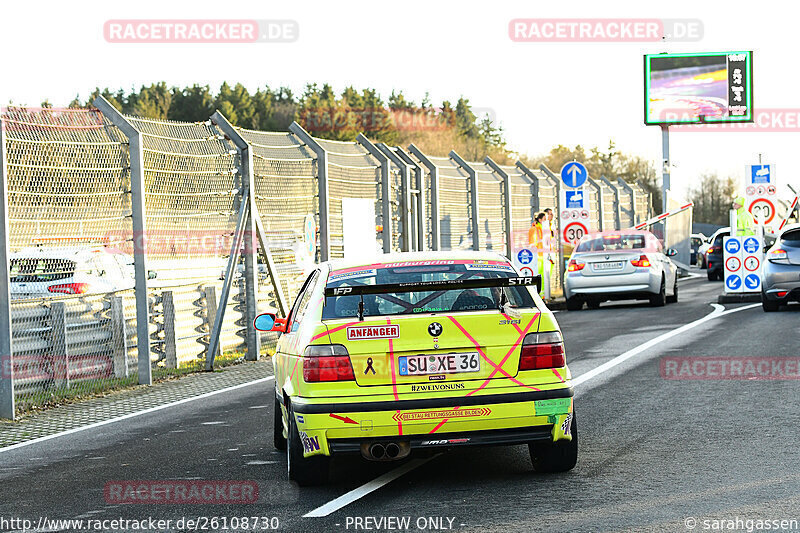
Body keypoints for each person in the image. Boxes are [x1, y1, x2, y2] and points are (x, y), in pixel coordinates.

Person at [528, 213, 546, 296]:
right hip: (538, 255)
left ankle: (542, 294)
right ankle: (540, 294)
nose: (546, 221)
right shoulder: (535, 229)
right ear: (540, 220)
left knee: (543, 275)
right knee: (539, 275)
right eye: (544, 219)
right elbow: (532, 243)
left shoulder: (542, 228)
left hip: (543, 254)